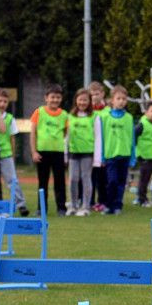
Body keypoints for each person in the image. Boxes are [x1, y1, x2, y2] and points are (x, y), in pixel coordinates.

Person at [29, 84, 69, 215]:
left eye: (58, 97)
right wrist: (34, 151)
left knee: (60, 182)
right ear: (46, 98)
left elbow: (65, 133)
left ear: (61, 99)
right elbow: (33, 133)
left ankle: (61, 208)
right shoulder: (39, 112)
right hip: (42, 152)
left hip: (58, 152)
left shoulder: (64, 115)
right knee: (42, 182)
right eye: (52, 97)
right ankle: (41, 208)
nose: (55, 100)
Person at [99, 85, 135, 215]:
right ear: (112, 100)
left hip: (125, 156)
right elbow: (101, 138)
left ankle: (118, 205)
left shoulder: (129, 118)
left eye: (124, 99)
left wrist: (133, 157)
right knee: (111, 181)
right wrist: (101, 157)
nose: (121, 101)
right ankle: (108, 205)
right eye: (118, 98)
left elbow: (132, 138)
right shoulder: (105, 117)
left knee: (121, 183)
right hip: (110, 156)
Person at [66, 88, 102, 216]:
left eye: (85, 100)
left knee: (86, 178)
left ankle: (85, 207)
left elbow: (98, 137)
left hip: (88, 153)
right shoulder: (70, 116)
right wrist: (65, 154)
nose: (82, 102)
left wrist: (97, 159)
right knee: (73, 178)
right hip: (74, 153)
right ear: (76, 100)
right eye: (80, 99)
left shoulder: (94, 117)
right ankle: (73, 205)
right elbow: (67, 137)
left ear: (89, 102)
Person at [0, 89, 29, 216]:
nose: (2, 104)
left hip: (5, 154)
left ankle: (21, 204)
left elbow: (12, 138)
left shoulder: (9, 118)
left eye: (5, 101)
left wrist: (12, 155)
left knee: (12, 180)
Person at [87, 80, 108, 212]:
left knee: (102, 177)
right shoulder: (87, 111)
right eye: (92, 94)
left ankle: (102, 201)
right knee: (89, 177)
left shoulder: (108, 111)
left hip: (104, 149)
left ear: (102, 94)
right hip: (89, 149)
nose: (95, 96)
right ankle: (89, 201)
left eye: (97, 93)